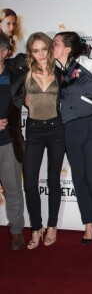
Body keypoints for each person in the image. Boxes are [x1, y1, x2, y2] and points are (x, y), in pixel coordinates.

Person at [53, 31, 92, 244]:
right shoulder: (56, 70)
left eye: (56, 43)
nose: (53, 47)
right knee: (80, 177)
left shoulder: (86, 62)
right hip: (70, 128)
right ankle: (88, 223)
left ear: (68, 47)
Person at [24, 32, 65, 249]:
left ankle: (52, 225)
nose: (40, 54)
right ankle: (36, 227)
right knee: (30, 183)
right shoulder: (24, 71)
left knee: (53, 181)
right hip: (33, 130)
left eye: (44, 49)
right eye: (35, 50)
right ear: (30, 52)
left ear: (50, 49)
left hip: (56, 129)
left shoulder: (60, 72)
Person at [0, 32, 25, 250]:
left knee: (13, 188)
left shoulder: (15, 74)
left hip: (9, 142)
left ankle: (17, 231)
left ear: (5, 52)